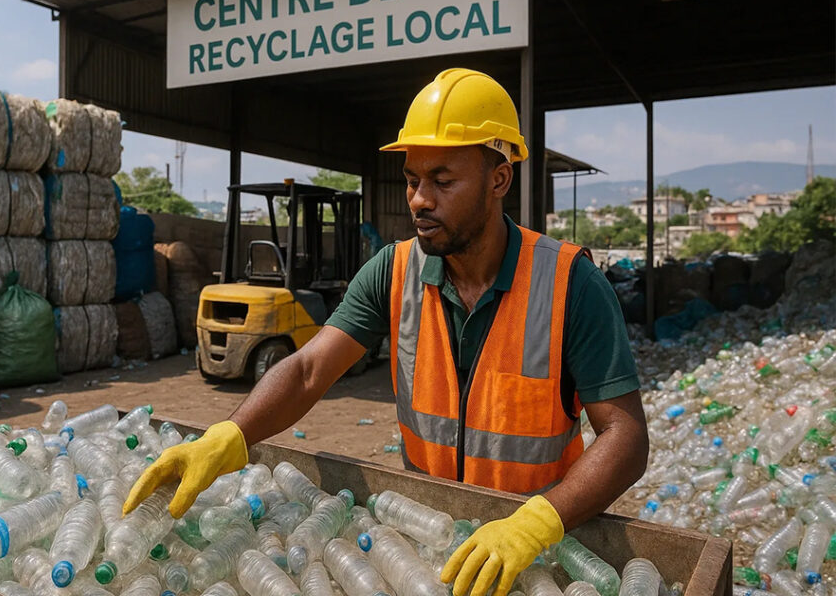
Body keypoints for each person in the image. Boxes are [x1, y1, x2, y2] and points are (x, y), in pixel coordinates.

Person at [123, 68, 649, 596]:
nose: (419, 199)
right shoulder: (394, 272)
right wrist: (228, 436)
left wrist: (535, 525)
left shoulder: (569, 284)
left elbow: (625, 438)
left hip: (532, 556)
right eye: (411, 179)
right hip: (428, 543)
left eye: (442, 181)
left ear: (499, 179)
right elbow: (308, 370)